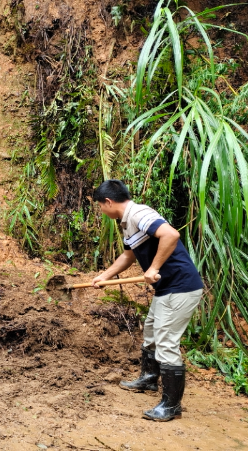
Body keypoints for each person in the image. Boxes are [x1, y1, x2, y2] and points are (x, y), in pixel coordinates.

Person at [91, 179, 203, 421]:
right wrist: (104, 276)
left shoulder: (139, 213)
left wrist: (153, 268)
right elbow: (128, 255)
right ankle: (149, 379)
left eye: (100, 206)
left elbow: (171, 235)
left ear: (109, 202)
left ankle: (171, 406)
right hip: (167, 289)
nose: (101, 211)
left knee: (166, 341)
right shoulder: (126, 222)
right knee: (151, 332)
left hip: (180, 287)